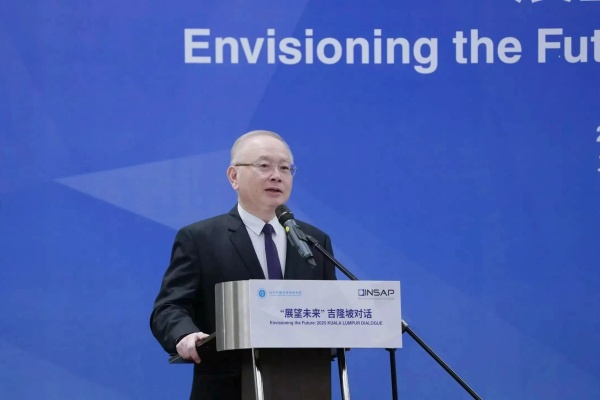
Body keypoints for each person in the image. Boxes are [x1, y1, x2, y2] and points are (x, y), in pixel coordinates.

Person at [150, 130, 336, 399]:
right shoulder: (200, 238)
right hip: (226, 387)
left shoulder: (314, 241)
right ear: (234, 176)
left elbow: (330, 308)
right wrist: (184, 335)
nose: (277, 175)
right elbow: (169, 307)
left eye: (285, 168)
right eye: (264, 166)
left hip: (303, 384)